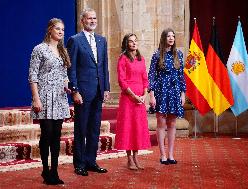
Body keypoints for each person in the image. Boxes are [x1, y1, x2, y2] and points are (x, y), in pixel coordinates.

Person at [66, 8, 110, 176]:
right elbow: (72, 69)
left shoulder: (102, 40)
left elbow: (104, 66)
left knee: (94, 129)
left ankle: (91, 161)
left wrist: (106, 88)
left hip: (99, 91)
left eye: (94, 18)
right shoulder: (75, 40)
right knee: (81, 129)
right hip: (82, 93)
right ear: (82, 21)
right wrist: (75, 91)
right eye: (89, 18)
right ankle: (79, 164)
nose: (92, 21)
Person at [28, 18, 71, 185]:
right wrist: (36, 98)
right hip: (44, 97)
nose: (61, 32)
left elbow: (64, 76)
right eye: (58, 29)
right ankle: (45, 170)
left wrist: (69, 88)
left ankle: (54, 171)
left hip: (60, 98)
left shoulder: (63, 51)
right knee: (47, 134)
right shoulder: (39, 49)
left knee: (57, 136)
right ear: (50, 30)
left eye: (63, 29)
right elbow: (33, 76)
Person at [148, 28, 186, 165]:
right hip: (161, 91)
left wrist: (183, 94)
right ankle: (162, 155)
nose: (171, 38)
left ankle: (171, 154)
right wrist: (151, 95)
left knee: (172, 122)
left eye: (173, 36)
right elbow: (151, 75)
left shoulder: (179, 55)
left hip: (175, 91)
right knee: (161, 122)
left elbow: (182, 76)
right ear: (164, 38)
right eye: (168, 36)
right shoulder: (157, 55)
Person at [114, 33, 151, 170]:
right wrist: (133, 95)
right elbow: (121, 81)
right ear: (126, 44)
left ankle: (136, 156)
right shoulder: (123, 59)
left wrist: (144, 95)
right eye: (131, 41)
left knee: (137, 128)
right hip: (128, 98)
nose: (134, 43)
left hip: (140, 99)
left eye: (135, 41)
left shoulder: (141, 59)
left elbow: (145, 79)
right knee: (128, 127)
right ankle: (129, 158)